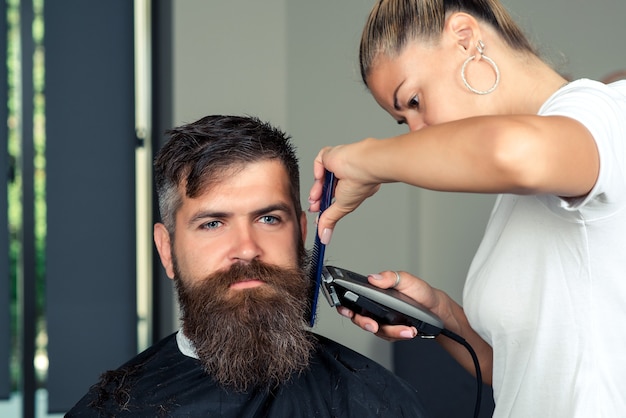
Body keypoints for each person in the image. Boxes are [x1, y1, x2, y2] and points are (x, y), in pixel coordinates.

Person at [308, 1, 626, 417]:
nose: (417, 133)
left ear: (465, 38)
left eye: (415, 100)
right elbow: (518, 371)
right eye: (403, 121)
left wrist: (366, 159)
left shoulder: (610, 110)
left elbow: (510, 152)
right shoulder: (518, 194)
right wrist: (440, 313)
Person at [65, 115, 429, 417]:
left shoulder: (377, 402)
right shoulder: (111, 409)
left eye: (268, 219)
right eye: (212, 224)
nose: (246, 249)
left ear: (301, 233)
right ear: (166, 249)